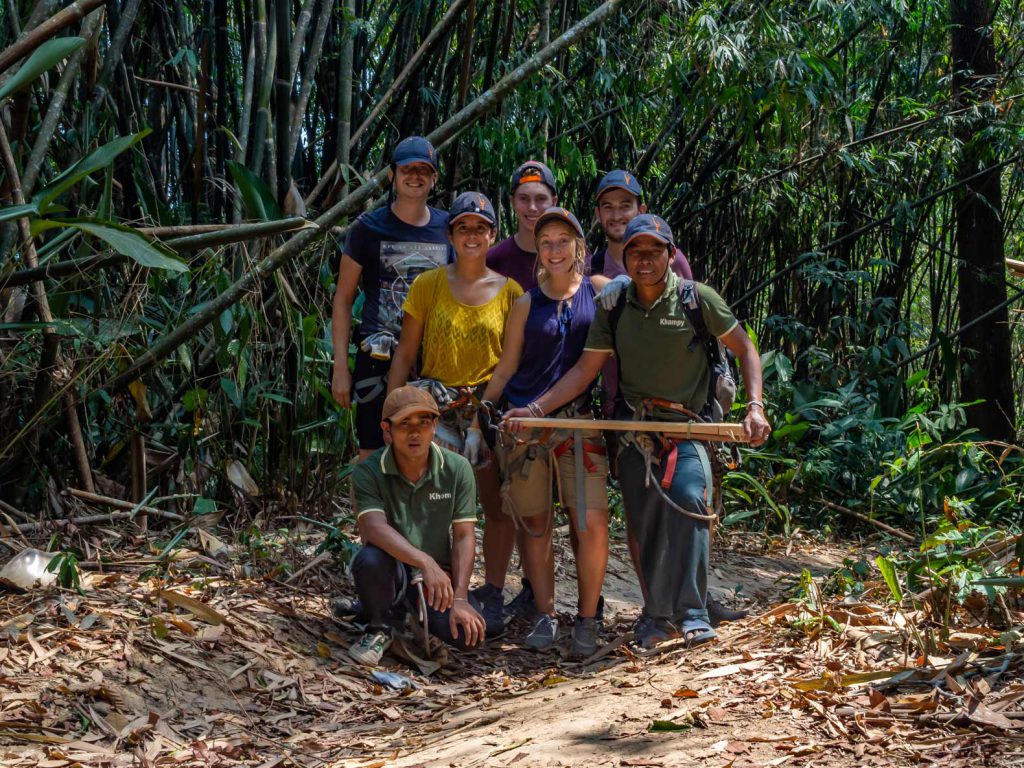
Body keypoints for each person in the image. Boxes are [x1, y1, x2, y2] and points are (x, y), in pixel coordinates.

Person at [505, 214, 771, 650]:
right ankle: (656, 615)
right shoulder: (615, 306)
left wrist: (755, 407)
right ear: (624, 258)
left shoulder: (695, 298)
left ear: (670, 254)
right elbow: (584, 371)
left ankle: (694, 612)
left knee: (689, 501)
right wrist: (534, 409)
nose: (645, 260)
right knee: (644, 522)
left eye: (654, 251)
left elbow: (745, 348)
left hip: (688, 428)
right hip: (633, 432)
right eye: (636, 252)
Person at [388, 191, 523, 637]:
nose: (472, 235)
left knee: (493, 504)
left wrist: (489, 403)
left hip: (485, 413)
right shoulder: (427, 285)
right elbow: (406, 352)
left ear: (492, 235)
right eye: (463, 227)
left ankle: (493, 592)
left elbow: (511, 359)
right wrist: (395, 412)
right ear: (450, 234)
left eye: (480, 228)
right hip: (434, 411)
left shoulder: (511, 293)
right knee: (433, 505)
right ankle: (427, 589)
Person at [479, 207, 611, 657]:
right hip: (524, 429)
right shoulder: (525, 302)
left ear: (578, 245)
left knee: (590, 521)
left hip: (577, 423)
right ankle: (546, 613)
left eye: (563, 241)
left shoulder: (598, 292)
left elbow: (640, 308)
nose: (554, 250)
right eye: (546, 242)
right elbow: (508, 367)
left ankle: (588, 619)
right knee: (535, 524)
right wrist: (485, 408)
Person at [331, 136, 452, 460]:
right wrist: (340, 366)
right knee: (372, 452)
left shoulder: (448, 228)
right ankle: (371, 512)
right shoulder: (368, 228)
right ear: (392, 176)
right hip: (378, 356)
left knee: (428, 455)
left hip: (430, 359)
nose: (415, 176)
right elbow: (343, 299)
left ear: (434, 178)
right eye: (407, 169)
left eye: (424, 170)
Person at [347, 386, 486, 666]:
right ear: (387, 430)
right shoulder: (368, 470)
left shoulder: (457, 468)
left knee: (470, 638)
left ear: (435, 426)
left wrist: (459, 597)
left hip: (436, 580)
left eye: (424, 422)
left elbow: (463, 536)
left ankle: (406, 614)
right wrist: (424, 561)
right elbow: (373, 528)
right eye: (404, 424)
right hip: (394, 569)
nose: (415, 433)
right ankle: (379, 627)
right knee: (369, 560)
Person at [486, 161, 559, 291]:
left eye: (540, 199)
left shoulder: (572, 257)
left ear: (553, 202)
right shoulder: (493, 259)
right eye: (524, 199)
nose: (532, 207)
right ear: (512, 202)